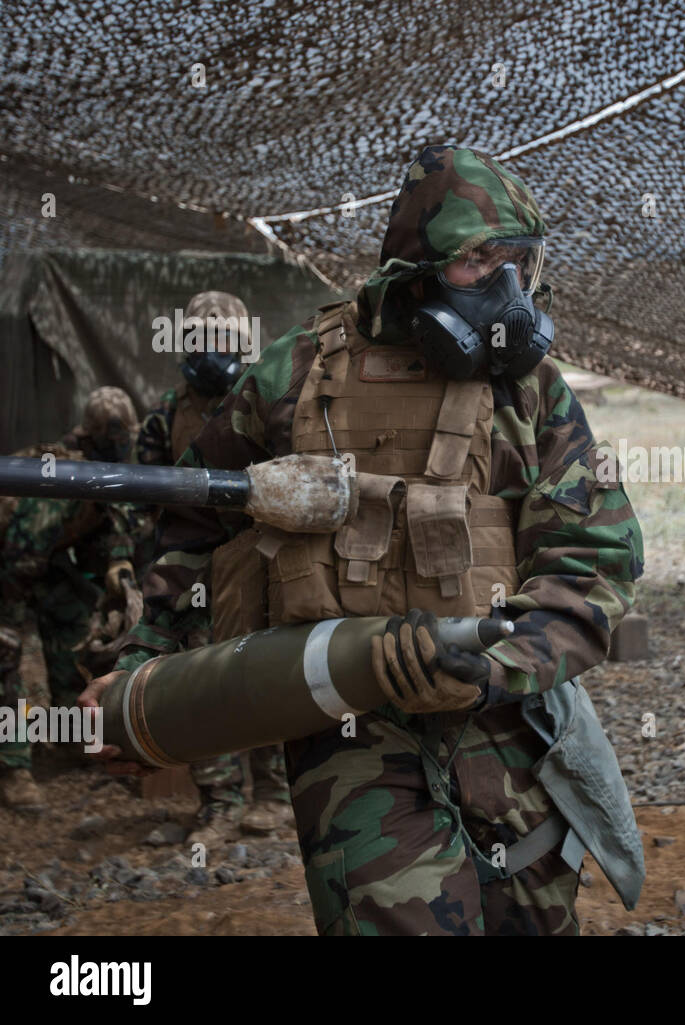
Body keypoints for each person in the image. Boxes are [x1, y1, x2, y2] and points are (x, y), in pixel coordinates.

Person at [88, 145, 645, 935]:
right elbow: (195, 528)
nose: (507, 288)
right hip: (346, 722)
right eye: (480, 259)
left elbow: (597, 556)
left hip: (506, 720)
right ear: (414, 261)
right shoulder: (295, 375)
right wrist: (144, 673)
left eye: (520, 261)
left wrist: (495, 666)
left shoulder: (532, 394)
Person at [135, 290, 291, 845]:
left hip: (260, 563)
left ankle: (274, 795)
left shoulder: (271, 404)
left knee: (267, 674)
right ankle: (220, 802)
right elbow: (144, 504)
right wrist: (144, 581)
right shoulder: (163, 416)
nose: (212, 351)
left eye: (223, 340)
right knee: (202, 683)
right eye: (201, 338)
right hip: (194, 568)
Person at [0, 387, 148, 812]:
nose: (122, 446)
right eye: (114, 438)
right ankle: (13, 764)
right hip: (12, 564)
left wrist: (118, 567)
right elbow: (20, 555)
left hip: (40, 562)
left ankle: (67, 736)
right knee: (6, 653)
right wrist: (12, 621)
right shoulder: (60, 472)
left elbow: (113, 522)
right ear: (91, 437)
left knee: (72, 623)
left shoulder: (104, 473)